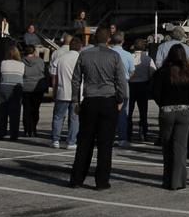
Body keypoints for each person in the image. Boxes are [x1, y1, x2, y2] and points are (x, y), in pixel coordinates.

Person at [68, 27, 129, 191]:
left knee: (84, 142)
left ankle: (76, 179)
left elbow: (75, 80)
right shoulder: (114, 56)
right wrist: (121, 99)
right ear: (108, 39)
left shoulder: (84, 54)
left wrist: (76, 100)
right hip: (108, 101)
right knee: (105, 144)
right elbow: (121, 81)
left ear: (94, 39)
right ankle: (101, 181)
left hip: (89, 100)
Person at [151, 43, 189, 190]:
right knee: (180, 147)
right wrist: (187, 101)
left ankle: (167, 179)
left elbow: (155, 92)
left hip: (167, 111)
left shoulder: (161, 73)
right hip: (184, 111)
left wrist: (163, 103)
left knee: (167, 146)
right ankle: (178, 180)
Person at [50, 38, 82, 149]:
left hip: (61, 91)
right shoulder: (81, 58)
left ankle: (55, 140)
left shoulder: (60, 59)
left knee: (58, 117)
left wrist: (54, 91)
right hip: (76, 94)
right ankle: (71, 142)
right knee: (74, 118)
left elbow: (54, 77)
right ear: (80, 47)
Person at [107, 32, 135, 148]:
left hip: (108, 84)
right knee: (123, 113)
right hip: (124, 83)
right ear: (122, 41)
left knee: (108, 112)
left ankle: (109, 136)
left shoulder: (108, 53)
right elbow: (132, 71)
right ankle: (122, 138)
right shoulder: (128, 55)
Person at [128, 38, 155, 141]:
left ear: (134, 47)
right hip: (143, 85)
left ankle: (128, 133)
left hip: (131, 85)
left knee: (129, 112)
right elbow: (153, 73)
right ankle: (143, 133)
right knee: (143, 111)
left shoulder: (130, 57)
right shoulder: (148, 59)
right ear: (144, 47)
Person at [0, 46, 25, 141]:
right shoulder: (21, 64)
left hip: (4, 86)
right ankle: (14, 134)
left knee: (1, 111)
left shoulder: (3, 63)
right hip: (16, 88)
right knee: (15, 112)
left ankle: (0, 133)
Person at [21, 45, 48, 137]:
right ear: (34, 52)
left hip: (25, 87)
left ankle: (26, 129)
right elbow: (43, 72)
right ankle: (33, 129)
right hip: (37, 87)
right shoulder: (40, 61)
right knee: (35, 109)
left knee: (26, 109)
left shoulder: (21, 61)